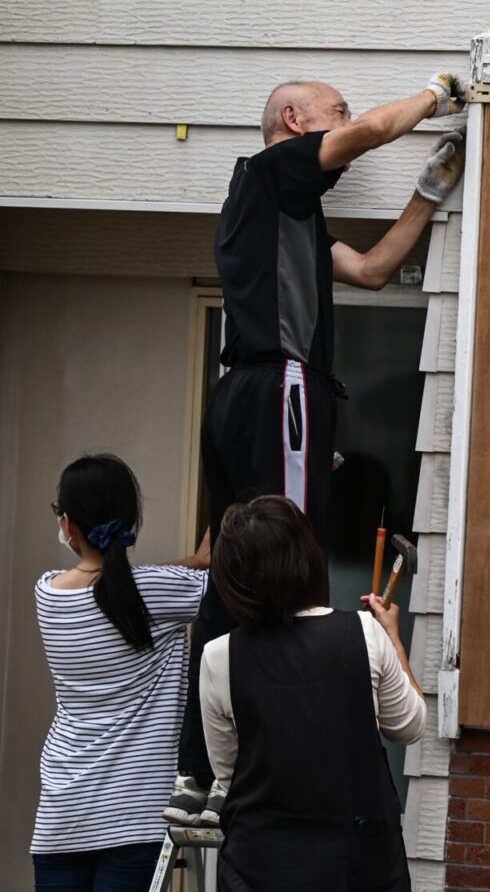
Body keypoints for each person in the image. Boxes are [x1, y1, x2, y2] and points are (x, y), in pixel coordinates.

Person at [168, 73, 468, 826]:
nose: (347, 121)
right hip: (282, 388)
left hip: (242, 398)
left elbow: (371, 270)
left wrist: (428, 194)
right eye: (334, 112)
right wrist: (437, 96)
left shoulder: (283, 217)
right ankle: (269, 750)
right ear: (294, 121)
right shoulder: (270, 171)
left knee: (232, 565)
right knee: (291, 564)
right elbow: (370, 133)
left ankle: (197, 770)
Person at [200, 496, 425, 892]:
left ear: (233, 579)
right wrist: (392, 636)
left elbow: (230, 773)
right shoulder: (365, 634)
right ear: (307, 558)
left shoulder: (219, 656)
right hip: (357, 867)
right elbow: (410, 725)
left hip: (259, 867)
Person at [33, 454, 210, 892]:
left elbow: (122, 584)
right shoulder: (163, 592)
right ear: (131, 520)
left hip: (62, 811)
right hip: (135, 816)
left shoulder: (48, 593)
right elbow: (238, 585)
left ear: (68, 524)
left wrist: (188, 562)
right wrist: (203, 558)